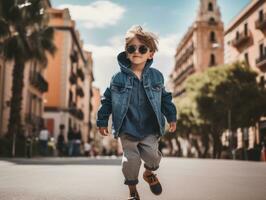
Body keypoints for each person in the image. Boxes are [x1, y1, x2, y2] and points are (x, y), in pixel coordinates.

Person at [97, 25, 177, 200]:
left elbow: (165, 98)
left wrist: (171, 116)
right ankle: (133, 192)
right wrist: (102, 120)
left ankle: (149, 173)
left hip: (150, 127)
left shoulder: (157, 76)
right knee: (130, 162)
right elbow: (107, 100)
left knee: (153, 158)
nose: (136, 52)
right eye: (131, 48)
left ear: (151, 53)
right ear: (126, 52)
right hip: (127, 127)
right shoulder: (117, 78)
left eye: (142, 48)